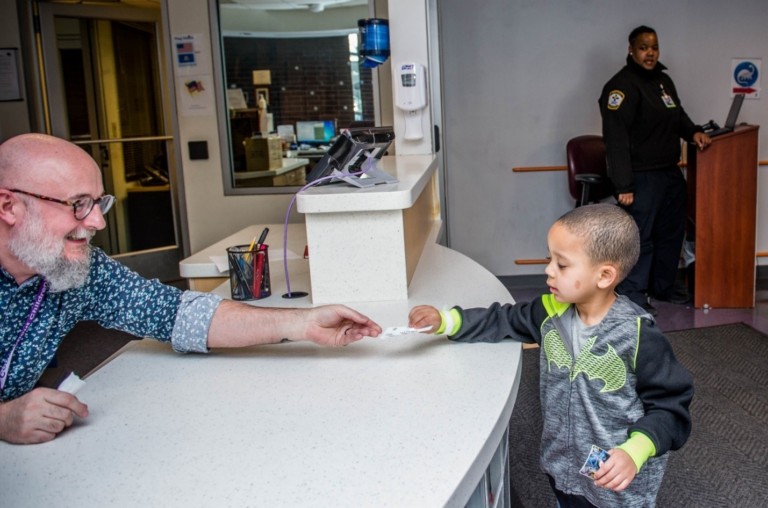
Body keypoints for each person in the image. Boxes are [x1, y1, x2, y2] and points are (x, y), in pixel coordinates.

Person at [0, 133, 382, 445]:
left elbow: (179, 313)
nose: (97, 221)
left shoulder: (79, 271)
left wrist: (303, 324)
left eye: (98, 203)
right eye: (78, 204)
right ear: (8, 206)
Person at [408, 204, 693, 507]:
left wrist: (635, 451)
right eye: (550, 259)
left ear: (605, 275)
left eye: (562, 265)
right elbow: (504, 319)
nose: (548, 270)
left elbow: (671, 407)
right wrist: (447, 320)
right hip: (563, 464)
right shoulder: (549, 311)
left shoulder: (636, 335)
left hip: (617, 477)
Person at [599, 25, 711, 315]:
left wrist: (694, 132)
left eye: (654, 47)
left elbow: (678, 116)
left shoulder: (663, 81)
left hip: (669, 173)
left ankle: (664, 287)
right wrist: (623, 184)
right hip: (641, 176)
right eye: (643, 48)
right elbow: (615, 139)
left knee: (671, 233)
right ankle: (633, 294)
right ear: (631, 50)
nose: (650, 53)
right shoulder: (620, 87)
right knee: (641, 238)